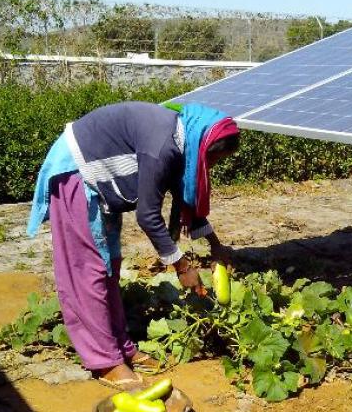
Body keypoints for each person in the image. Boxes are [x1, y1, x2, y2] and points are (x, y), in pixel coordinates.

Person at [27, 101, 240, 387]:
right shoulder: (164, 146)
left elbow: (184, 195)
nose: (211, 166)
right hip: (77, 174)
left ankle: (122, 348)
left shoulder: (185, 140)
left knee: (110, 266)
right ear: (205, 144)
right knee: (88, 272)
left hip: (101, 183)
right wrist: (181, 265)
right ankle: (105, 362)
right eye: (214, 160)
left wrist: (216, 245)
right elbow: (148, 216)